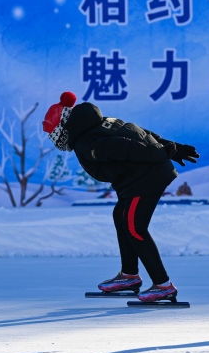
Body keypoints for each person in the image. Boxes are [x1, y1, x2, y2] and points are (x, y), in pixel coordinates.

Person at [42, 91, 199, 303]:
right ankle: (129, 275)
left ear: (64, 127)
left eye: (54, 134)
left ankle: (163, 286)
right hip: (140, 176)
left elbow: (128, 147)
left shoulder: (87, 142)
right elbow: (139, 132)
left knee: (134, 227)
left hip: (146, 177)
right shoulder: (99, 123)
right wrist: (171, 148)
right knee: (121, 216)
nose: (54, 140)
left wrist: (164, 152)